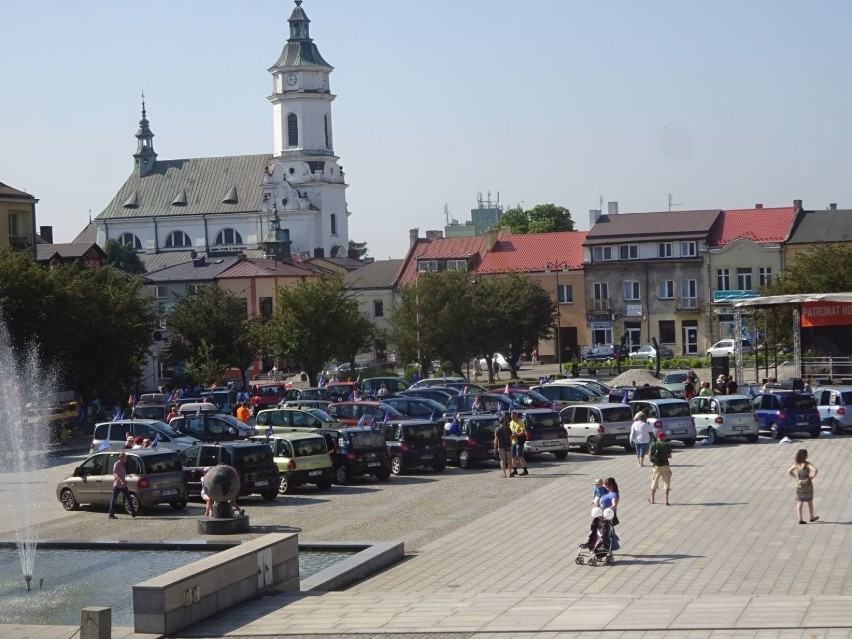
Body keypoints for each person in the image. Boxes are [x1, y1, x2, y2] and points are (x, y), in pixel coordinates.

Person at [787, 448, 819, 524]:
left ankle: (800, 519)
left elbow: (789, 471)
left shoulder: (796, 464)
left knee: (800, 502)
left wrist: (797, 478)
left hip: (800, 484)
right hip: (807, 484)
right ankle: (811, 517)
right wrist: (812, 477)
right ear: (805, 456)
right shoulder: (807, 464)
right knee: (809, 502)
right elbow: (815, 470)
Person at [108, 452, 136, 519]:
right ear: (121, 458)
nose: (126, 459)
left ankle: (133, 512)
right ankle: (111, 514)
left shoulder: (123, 465)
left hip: (123, 485)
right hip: (117, 485)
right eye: (125, 457)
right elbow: (116, 474)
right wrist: (121, 480)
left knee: (128, 498)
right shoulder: (117, 464)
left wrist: (124, 481)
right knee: (114, 500)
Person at [648, 431, 672, 505]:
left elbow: (649, 455)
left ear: (658, 437)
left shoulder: (653, 444)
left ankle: (652, 499)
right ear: (664, 437)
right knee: (666, 483)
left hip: (656, 466)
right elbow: (670, 456)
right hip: (665, 466)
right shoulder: (666, 444)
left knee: (654, 482)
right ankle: (666, 500)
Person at [508, 411, 528, 476]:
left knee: (519, 456)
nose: (512, 418)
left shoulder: (520, 422)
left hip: (519, 441)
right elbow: (510, 431)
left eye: (514, 417)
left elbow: (523, 432)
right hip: (513, 441)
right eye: (511, 417)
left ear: (517, 416)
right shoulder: (511, 422)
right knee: (513, 456)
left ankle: (525, 470)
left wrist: (516, 435)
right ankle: (515, 470)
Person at [493, 414, 513, 478]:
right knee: (509, 460)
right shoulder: (508, 429)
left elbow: (496, 440)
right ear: (504, 421)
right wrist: (510, 444)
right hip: (508, 446)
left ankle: (504, 474)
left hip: (501, 447)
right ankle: (510, 473)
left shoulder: (497, 429)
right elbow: (510, 438)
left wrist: (495, 448)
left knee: (502, 460)